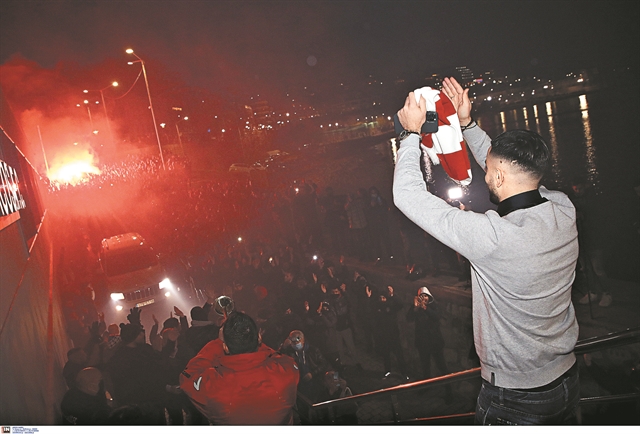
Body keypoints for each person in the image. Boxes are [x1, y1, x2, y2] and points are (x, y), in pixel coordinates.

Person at [393, 76, 580, 425]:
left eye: (490, 169)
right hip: (565, 380)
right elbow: (513, 173)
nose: (486, 172)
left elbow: (407, 196)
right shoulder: (563, 208)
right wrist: (467, 124)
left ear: (498, 177)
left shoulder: (492, 238)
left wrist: (410, 135)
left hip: (515, 397)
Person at [179, 311, 299, 425]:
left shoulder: (214, 387)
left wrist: (218, 342)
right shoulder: (286, 372)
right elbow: (279, 357)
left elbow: (189, 375)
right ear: (259, 338)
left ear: (225, 347)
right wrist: (255, 341)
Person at [405, 287, 447, 380]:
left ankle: (448, 388)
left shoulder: (434, 306)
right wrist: (415, 308)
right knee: (425, 366)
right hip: (422, 342)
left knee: (441, 366)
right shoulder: (416, 307)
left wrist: (425, 308)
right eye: (421, 297)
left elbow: (436, 317)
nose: (424, 299)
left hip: (435, 342)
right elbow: (409, 319)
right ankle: (427, 386)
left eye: (425, 296)